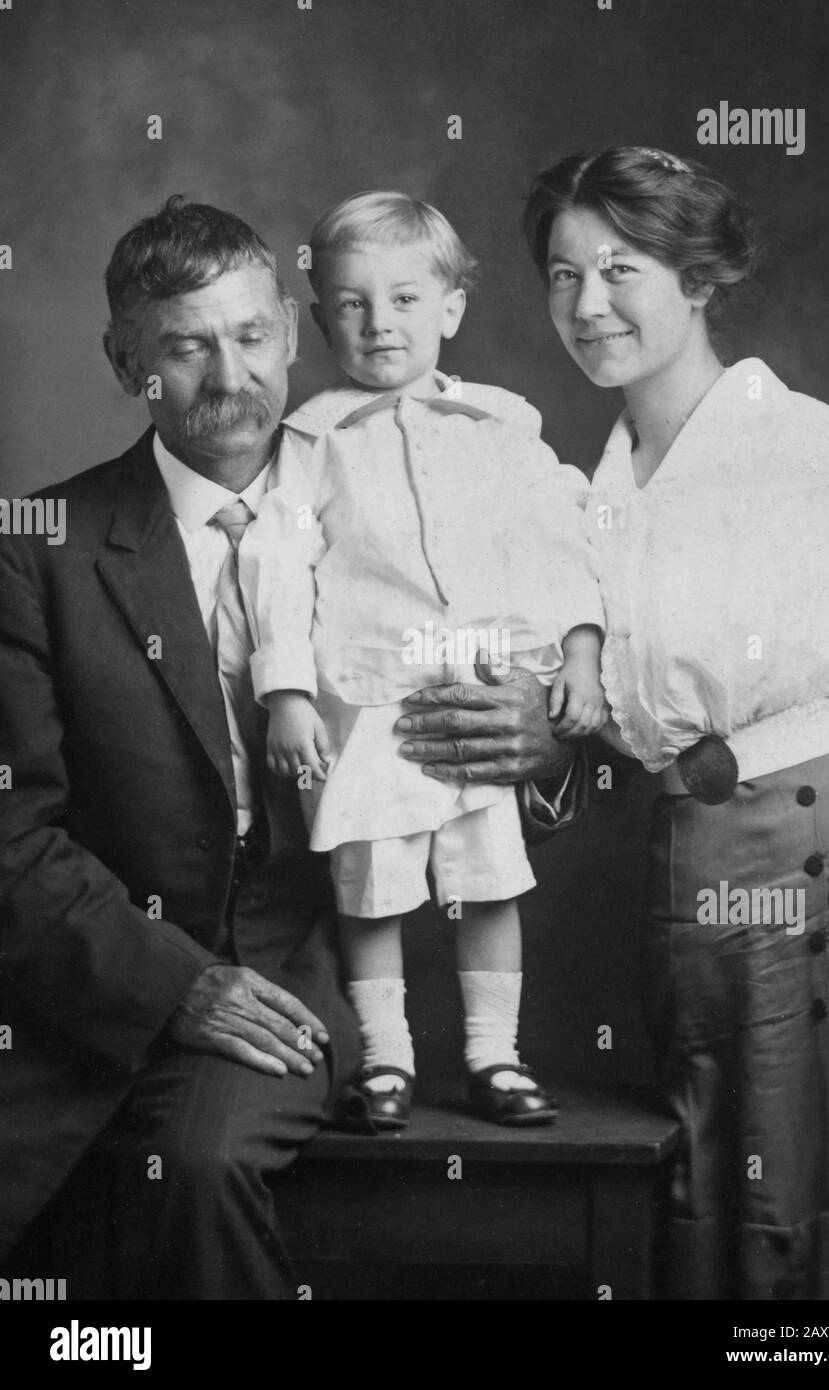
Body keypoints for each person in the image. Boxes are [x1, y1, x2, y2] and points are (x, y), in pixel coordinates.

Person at [402, 142, 829, 1300]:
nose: (587, 305)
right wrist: (538, 748)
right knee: (723, 1189)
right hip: (690, 870)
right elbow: (611, 755)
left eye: (621, 269)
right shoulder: (581, 505)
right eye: (563, 275)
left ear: (696, 277)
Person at [0, 195, 365, 1299]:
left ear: (291, 334)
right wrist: (176, 984)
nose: (229, 374)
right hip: (95, 987)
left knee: (194, 1169)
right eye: (185, 345)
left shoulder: (388, 516)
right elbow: (12, 836)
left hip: (317, 973)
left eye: (252, 335)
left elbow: (532, 725)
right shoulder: (37, 551)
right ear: (127, 364)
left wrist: (537, 738)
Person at [238, 191, 606, 1130]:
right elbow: (277, 566)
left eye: (405, 299)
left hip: (478, 691)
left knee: (487, 880)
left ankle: (494, 1056)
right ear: (319, 320)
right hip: (366, 701)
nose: (378, 322)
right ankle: (387, 1059)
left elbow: (556, 543)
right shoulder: (310, 444)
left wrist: (579, 648)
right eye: (352, 303)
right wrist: (285, 691)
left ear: (450, 308)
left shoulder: (500, 426)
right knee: (372, 886)